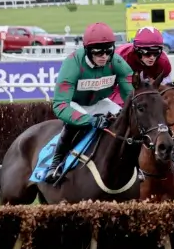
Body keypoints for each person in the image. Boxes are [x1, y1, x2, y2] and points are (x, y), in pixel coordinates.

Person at [45, 22, 135, 185]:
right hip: (74, 104)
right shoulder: (72, 64)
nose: (104, 57)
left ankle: (136, 165)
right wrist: (90, 120)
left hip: (100, 102)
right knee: (74, 126)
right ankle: (55, 164)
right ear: (87, 50)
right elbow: (60, 105)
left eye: (108, 51)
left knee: (128, 119)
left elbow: (131, 97)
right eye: (98, 52)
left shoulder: (116, 62)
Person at [108, 26, 172, 107]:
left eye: (156, 52)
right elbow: (110, 90)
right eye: (147, 53)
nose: (152, 57)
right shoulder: (121, 57)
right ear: (137, 50)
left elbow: (165, 91)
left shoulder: (163, 63)